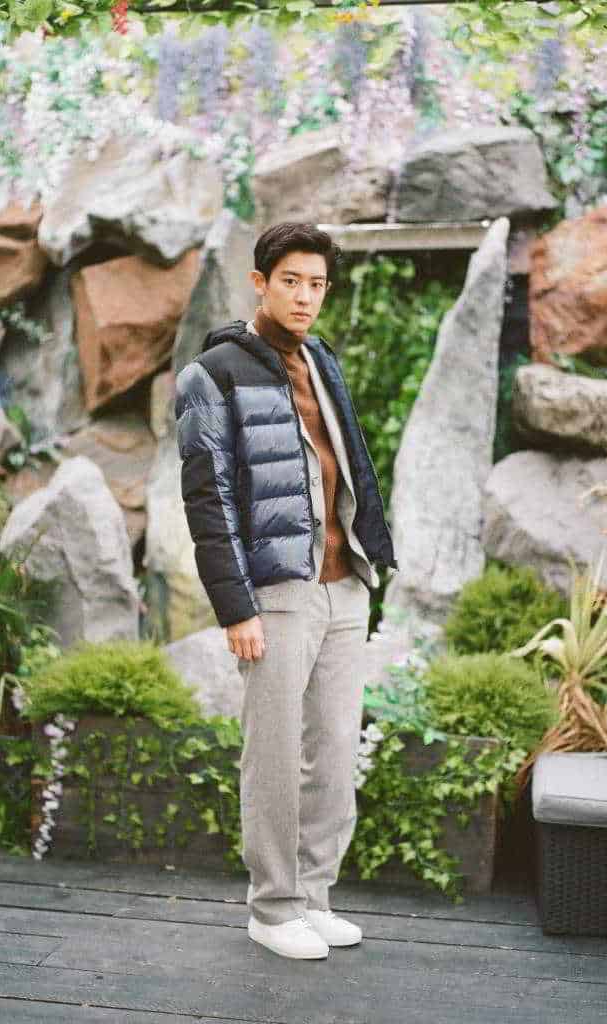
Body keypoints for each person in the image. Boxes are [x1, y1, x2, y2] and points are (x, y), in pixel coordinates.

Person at [174, 222, 397, 960]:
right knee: (272, 756)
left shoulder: (320, 359)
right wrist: (236, 607)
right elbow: (207, 500)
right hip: (277, 594)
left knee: (332, 754)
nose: (305, 296)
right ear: (260, 283)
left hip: (343, 586)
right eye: (291, 281)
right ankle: (272, 909)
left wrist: (371, 560)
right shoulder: (213, 374)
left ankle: (313, 896)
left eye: (317, 284)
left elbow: (347, 468)